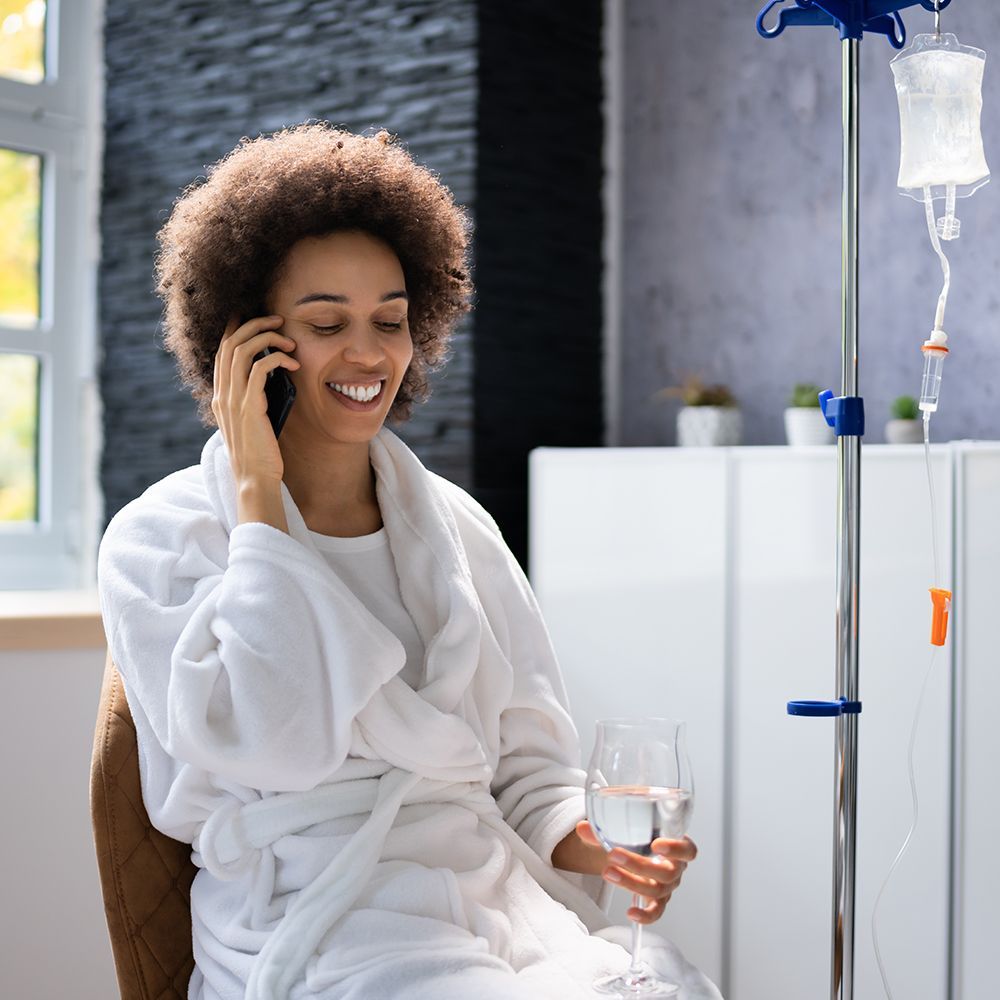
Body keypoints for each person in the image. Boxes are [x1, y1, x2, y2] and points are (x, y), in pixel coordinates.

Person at [96, 122, 721, 1000]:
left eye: (390, 322)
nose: (368, 355)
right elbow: (277, 745)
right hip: (322, 923)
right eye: (325, 324)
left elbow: (528, 772)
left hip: (495, 905)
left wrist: (601, 838)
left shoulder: (456, 528)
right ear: (247, 343)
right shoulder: (160, 540)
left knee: (673, 988)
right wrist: (259, 508)